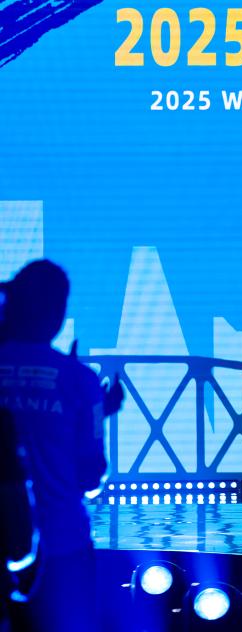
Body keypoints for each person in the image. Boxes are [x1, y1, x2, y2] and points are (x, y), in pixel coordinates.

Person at [0, 260, 120, 632]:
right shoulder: (79, 380)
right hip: (62, 547)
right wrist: (95, 411)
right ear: (58, 312)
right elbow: (90, 476)